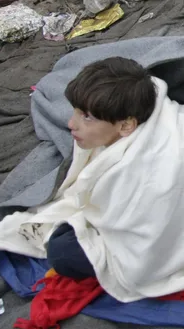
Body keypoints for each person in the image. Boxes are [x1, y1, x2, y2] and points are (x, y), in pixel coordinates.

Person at [45, 57, 157, 278]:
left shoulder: (141, 166)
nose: (71, 124)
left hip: (149, 241)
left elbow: (149, 231)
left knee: (62, 252)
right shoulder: (112, 134)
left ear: (126, 125)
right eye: (76, 111)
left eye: (86, 117)